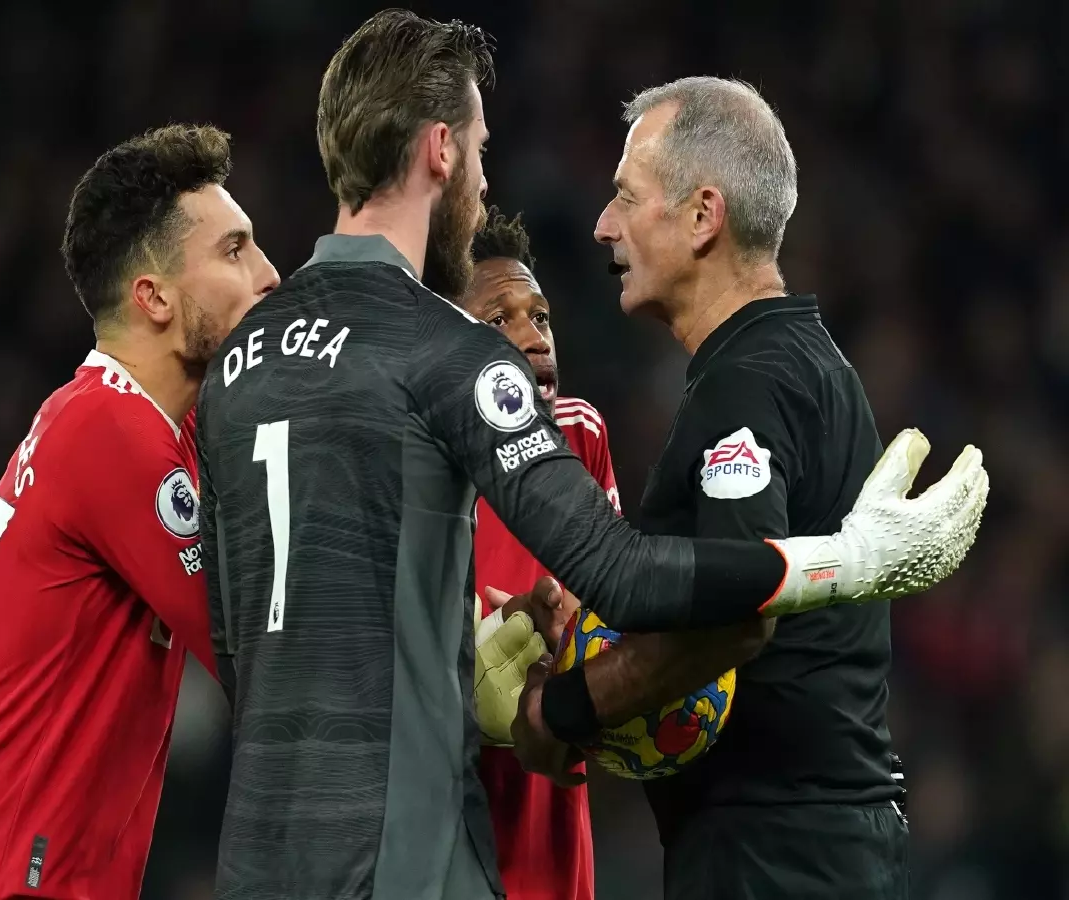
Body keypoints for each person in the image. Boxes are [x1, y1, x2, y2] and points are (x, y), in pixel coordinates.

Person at [196, 10, 985, 900]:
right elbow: (627, 577)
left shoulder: (236, 363)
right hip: (404, 853)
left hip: (261, 853)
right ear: (441, 152)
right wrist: (852, 560)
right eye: (482, 153)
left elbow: (232, 641)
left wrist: (451, 642)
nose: (485, 185)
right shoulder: (449, 352)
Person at [512, 77, 923, 899]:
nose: (603, 225)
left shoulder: (750, 382)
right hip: (817, 844)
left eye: (627, 197)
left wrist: (560, 710)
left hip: (776, 855)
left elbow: (738, 615)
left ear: (704, 216)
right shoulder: (801, 361)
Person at [0, 124, 279, 900]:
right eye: (234, 252)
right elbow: (268, 651)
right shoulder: (108, 432)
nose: (270, 274)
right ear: (154, 297)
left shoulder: (149, 432)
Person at [464, 208, 616, 900]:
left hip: (548, 830)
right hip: (444, 823)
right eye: (501, 320)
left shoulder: (579, 435)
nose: (534, 337)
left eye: (541, 317)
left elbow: (609, 610)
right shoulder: (406, 461)